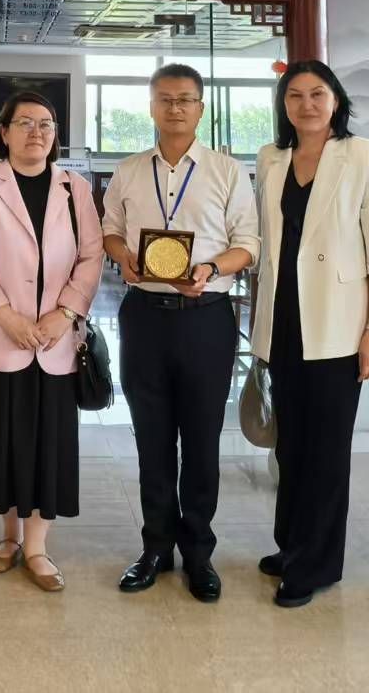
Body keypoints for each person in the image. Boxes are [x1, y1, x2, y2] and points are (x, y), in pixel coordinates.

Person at [101, 63, 259, 602]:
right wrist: (123, 257)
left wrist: (210, 269)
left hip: (206, 318)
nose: (175, 108)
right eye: (165, 99)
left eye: (185, 99)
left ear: (201, 108)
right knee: (151, 438)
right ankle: (154, 548)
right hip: (144, 316)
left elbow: (248, 243)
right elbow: (110, 230)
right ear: (151, 107)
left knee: (201, 440)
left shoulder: (227, 171)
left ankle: (198, 553)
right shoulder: (128, 170)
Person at [251, 61, 369, 609]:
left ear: (336, 100)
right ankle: (292, 544)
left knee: (326, 451)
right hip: (284, 320)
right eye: (295, 95)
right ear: (283, 104)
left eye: (317, 94)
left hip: (338, 324)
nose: (306, 104)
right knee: (291, 445)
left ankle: (315, 563)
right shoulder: (271, 157)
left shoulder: (360, 154)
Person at [0, 91, 104, 591]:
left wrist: (66, 313)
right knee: (4, 439)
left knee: (48, 442)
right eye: (25, 123)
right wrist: (5, 316)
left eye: (46, 124)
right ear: (4, 131)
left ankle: (37, 547)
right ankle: (8, 538)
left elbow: (91, 256)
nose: (36, 132)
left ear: (55, 134)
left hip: (56, 340)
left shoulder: (74, 188)